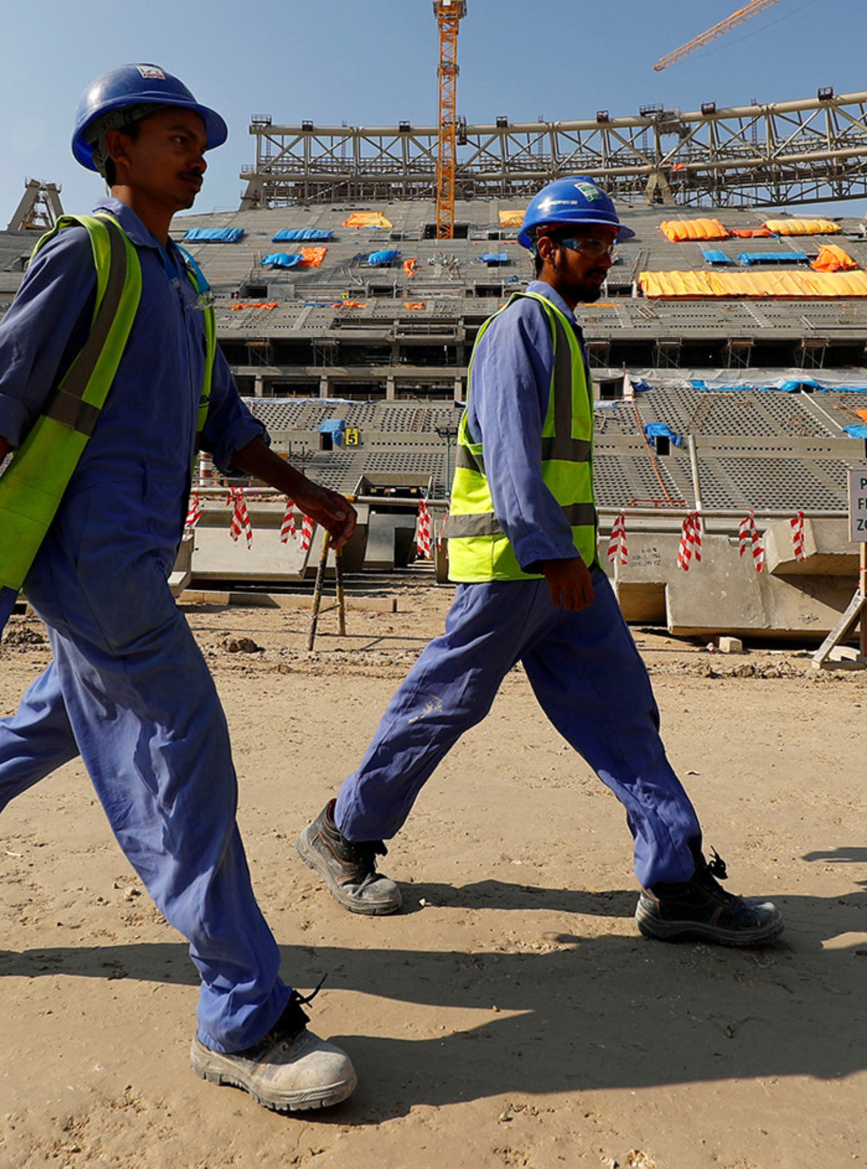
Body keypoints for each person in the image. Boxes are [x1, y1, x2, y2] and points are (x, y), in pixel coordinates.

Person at [0, 63, 359, 1114]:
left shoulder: (184, 281)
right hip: (87, 555)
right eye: (178, 136)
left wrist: (310, 492)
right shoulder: (86, 256)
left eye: (200, 139)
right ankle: (241, 1010)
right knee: (184, 749)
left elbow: (225, 423)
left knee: (54, 722)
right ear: (116, 147)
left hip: (131, 555)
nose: (200, 154)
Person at [297, 176, 784, 948]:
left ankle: (676, 883)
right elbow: (512, 455)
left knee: (625, 718)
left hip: (566, 578)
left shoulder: (560, 331)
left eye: (609, 244)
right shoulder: (520, 328)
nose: (604, 258)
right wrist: (550, 550)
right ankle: (341, 832)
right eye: (589, 243)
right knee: (442, 705)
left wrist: (569, 562)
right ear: (546, 248)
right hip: (516, 571)